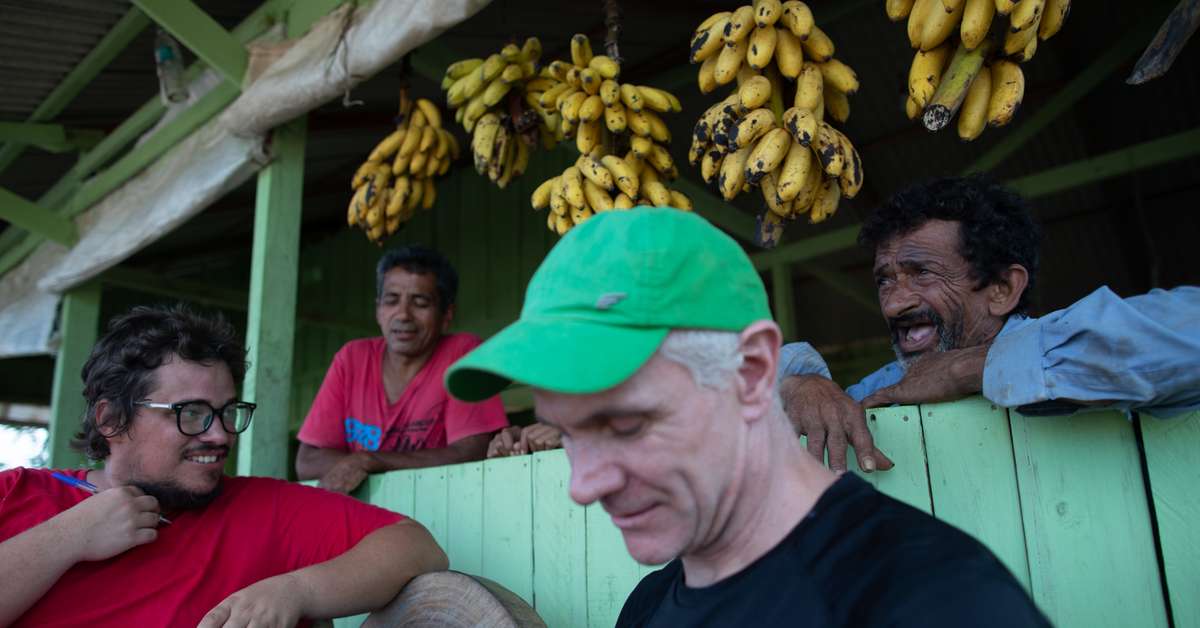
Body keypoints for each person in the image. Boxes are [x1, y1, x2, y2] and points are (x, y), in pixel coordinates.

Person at [444, 208, 1050, 627]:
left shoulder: (933, 601)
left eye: (626, 424)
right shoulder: (647, 607)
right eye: (571, 435)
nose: (583, 485)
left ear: (756, 371)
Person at [0, 305, 447, 627]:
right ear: (112, 419)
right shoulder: (17, 494)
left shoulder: (261, 508)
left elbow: (417, 547)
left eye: (227, 411)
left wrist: (297, 591)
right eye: (190, 413)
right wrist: (70, 535)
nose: (220, 435)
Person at [777, 175, 1200, 473]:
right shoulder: (876, 393)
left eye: (922, 272)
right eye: (885, 279)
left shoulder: (1072, 348)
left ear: (1002, 288)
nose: (894, 304)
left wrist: (971, 368)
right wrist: (798, 383)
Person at [295, 246, 509, 493]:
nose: (403, 314)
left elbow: (471, 452)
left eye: (420, 302)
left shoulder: (462, 353)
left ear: (447, 314)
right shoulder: (352, 358)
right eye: (392, 300)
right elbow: (307, 461)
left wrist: (368, 461)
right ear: (378, 309)